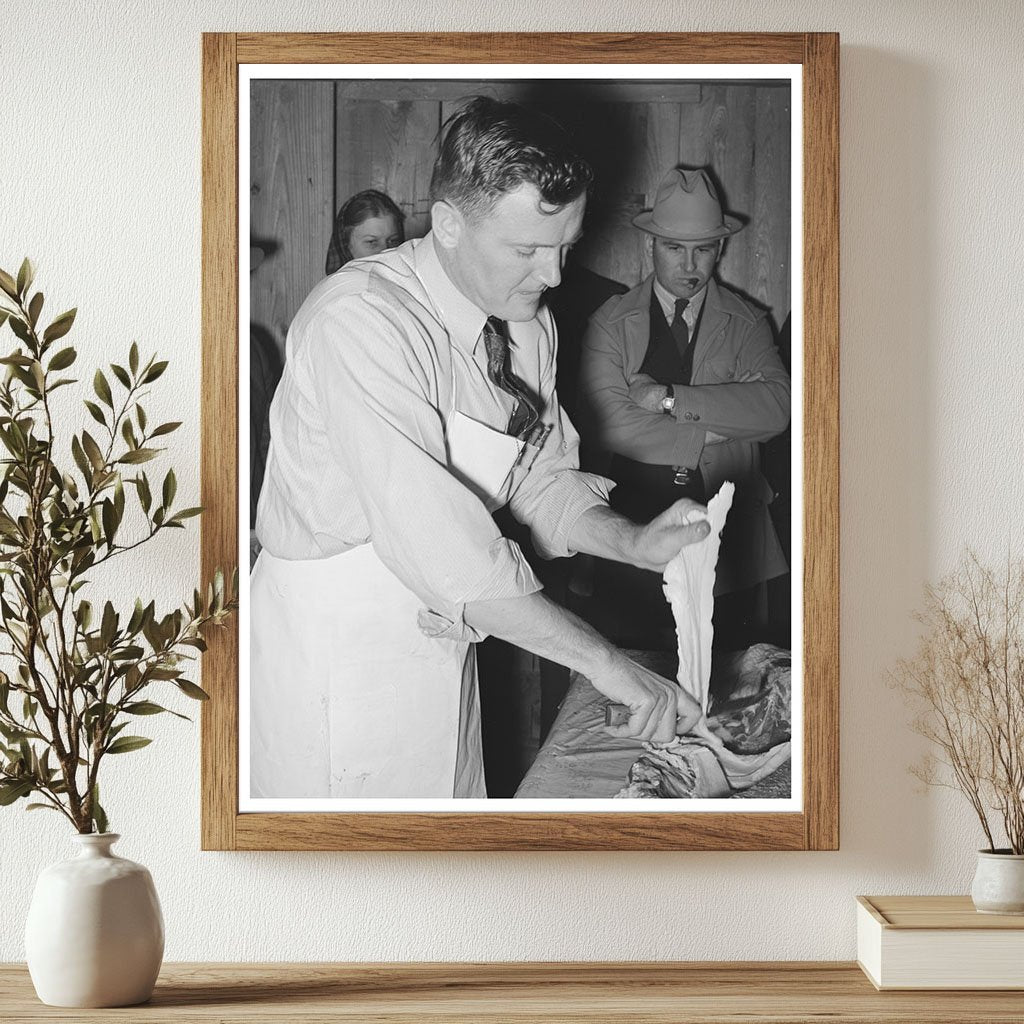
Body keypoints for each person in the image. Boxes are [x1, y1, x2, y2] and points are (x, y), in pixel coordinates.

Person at [251, 98, 711, 800]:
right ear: (449, 225)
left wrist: (631, 540)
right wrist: (610, 666)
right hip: (339, 658)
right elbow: (441, 543)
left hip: (451, 630)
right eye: (526, 250)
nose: (553, 274)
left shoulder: (526, 320)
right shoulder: (360, 324)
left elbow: (534, 476)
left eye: (566, 245)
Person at [578, 167, 790, 649]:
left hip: (727, 542)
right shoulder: (610, 323)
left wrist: (665, 399)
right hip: (628, 537)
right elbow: (607, 423)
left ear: (722, 248)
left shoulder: (748, 323)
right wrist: (715, 429)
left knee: (720, 695)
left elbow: (778, 407)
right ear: (650, 244)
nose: (690, 264)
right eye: (675, 248)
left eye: (704, 249)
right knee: (632, 695)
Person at [325, 188, 405, 275]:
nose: (385, 251)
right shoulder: (337, 287)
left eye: (393, 241)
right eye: (372, 242)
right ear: (346, 246)